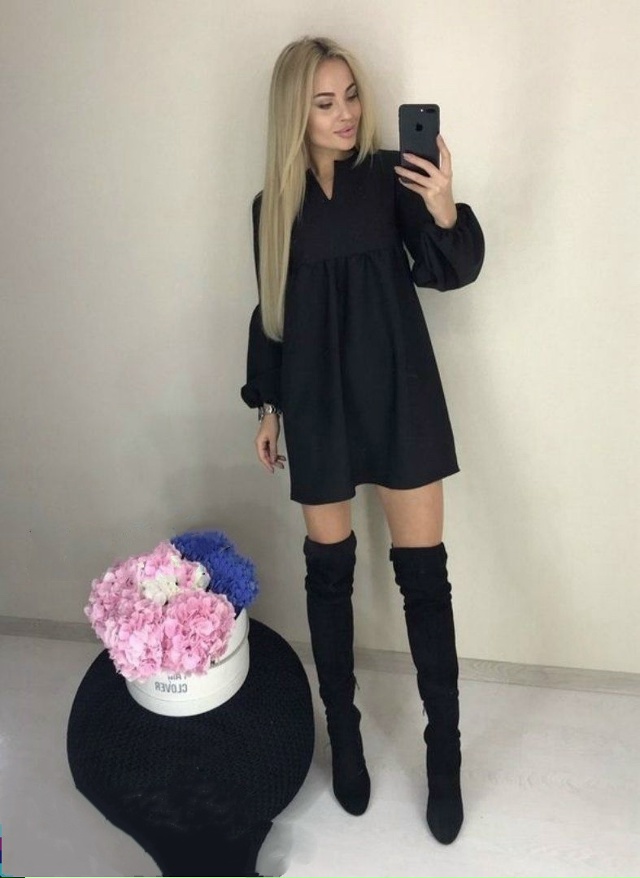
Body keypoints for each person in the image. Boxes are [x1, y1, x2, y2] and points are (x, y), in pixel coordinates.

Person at [240, 36, 484, 845]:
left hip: (400, 391)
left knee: (425, 581)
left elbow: (448, 270)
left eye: (350, 95)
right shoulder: (271, 207)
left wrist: (444, 208)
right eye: (324, 102)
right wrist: (267, 406)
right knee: (330, 575)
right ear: (294, 113)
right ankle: (342, 735)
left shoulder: (391, 177)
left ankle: (443, 756)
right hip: (316, 401)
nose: (345, 114)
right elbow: (271, 312)